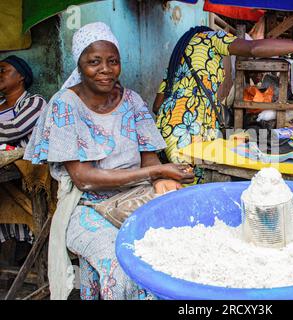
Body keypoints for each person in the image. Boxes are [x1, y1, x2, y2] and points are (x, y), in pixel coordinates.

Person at [24, 22, 194, 300]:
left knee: (180, 241)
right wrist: (158, 171)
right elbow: (84, 179)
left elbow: (149, 156)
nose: (105, 69)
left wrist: (163, 179)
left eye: (112, 61)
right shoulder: (64, 105)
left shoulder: (132, 100)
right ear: (79, 65)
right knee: (125, 263)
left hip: (136, 196)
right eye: (94, 62)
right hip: (84, 208)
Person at [153, 26, 293, 181]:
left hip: (169, 129)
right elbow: (253, 48)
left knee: (184, 185)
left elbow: (157, 106)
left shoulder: (179, 61)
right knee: (196, 184)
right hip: (190, 130)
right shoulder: (210, 37)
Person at [0, 55, 46, 254]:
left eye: (3, 70)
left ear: (21, 76)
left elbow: (16, 128)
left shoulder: (35, 102)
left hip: (24, 175)